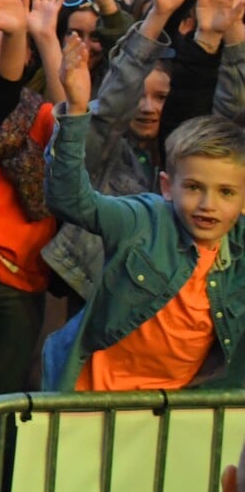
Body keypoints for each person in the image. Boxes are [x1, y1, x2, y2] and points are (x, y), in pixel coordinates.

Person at [43, 48, 245, 391]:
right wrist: (76, 111)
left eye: (226, 192)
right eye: (194, 187)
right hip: (90, 397)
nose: (208, 205)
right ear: (167, 186)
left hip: (178, 409)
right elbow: (70, 200)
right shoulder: (143, 219)